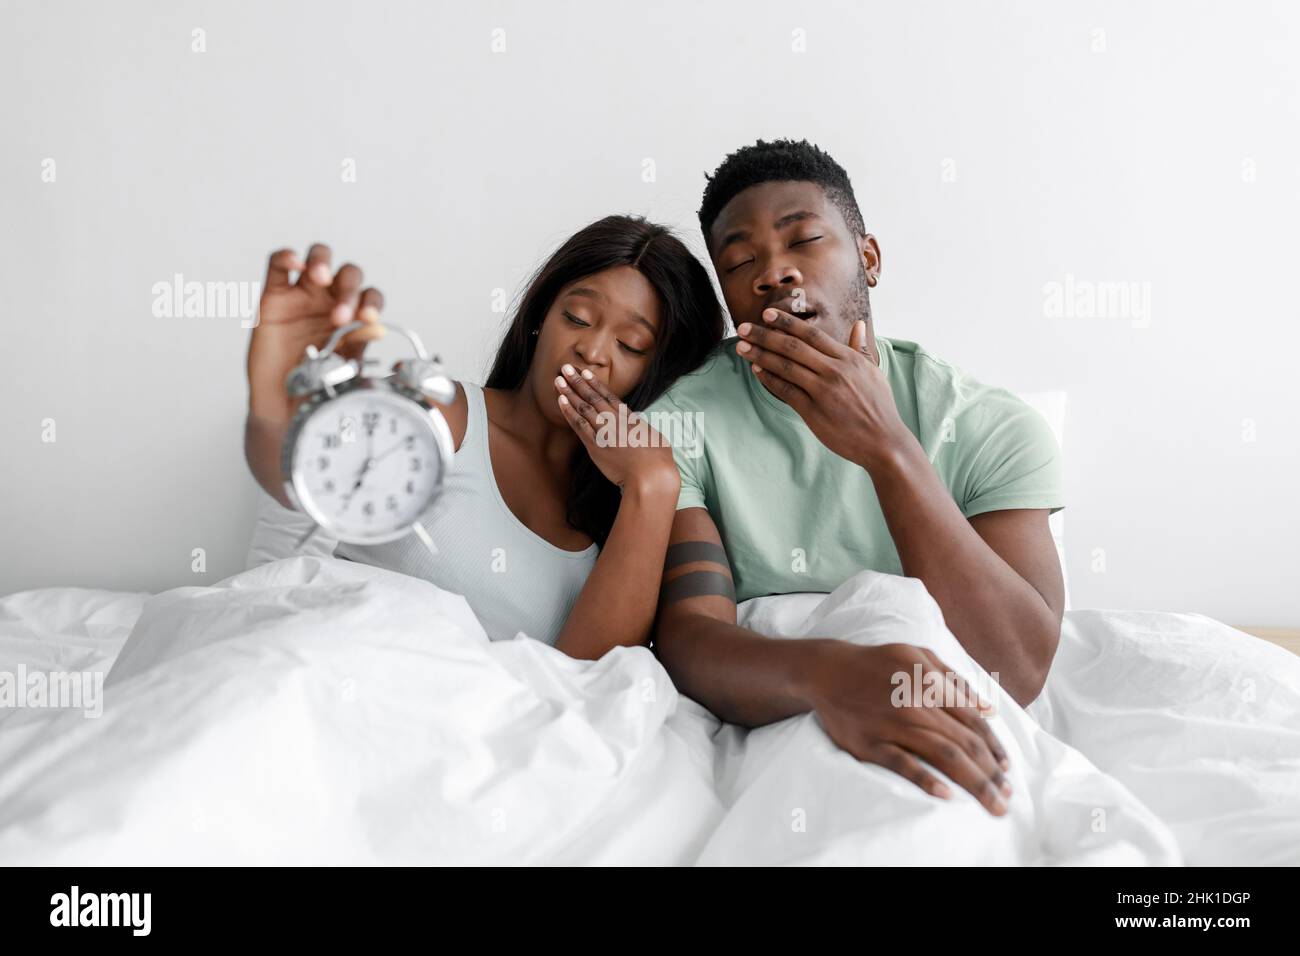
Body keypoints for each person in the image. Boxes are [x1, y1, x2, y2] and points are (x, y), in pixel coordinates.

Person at [645, 139, 1067, 817]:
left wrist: (887, 447)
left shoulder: (990, 426)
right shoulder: (678, 424)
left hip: (953, 713)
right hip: (780, 707)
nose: (774, 273)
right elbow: (689, 641)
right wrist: (830, 674)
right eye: (740, 261)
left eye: (804, 240)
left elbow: (1014, 670)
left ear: (868, 259)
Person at [244, 215, 724, 659]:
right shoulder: (442, 414)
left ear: (658, 374)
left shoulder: (629, 518)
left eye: (630, 345)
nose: (591, 350)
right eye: (576, 317)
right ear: (540, 318)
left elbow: (586, 687)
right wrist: (274, 410)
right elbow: (299, 475)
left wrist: (653, 484)